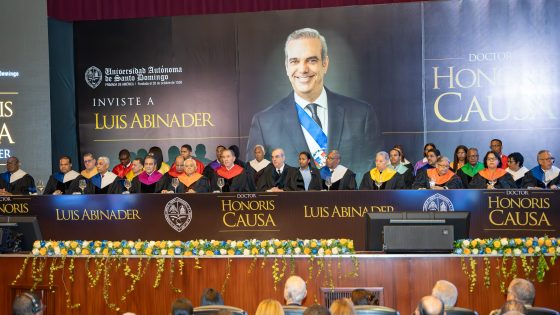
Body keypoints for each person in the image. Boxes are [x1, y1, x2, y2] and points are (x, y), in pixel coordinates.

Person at [246, 27, 381, 177]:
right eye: (295, 61)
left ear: (325, 63)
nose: (303, 69)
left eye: (311, 60)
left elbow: (375, 174)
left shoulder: (362, 115)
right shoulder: (263, 123)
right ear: (286, 66)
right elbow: (255, 181)